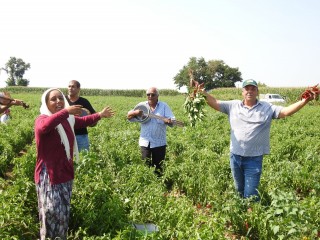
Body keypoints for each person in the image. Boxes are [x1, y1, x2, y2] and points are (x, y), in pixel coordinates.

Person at [202, 79, 315, 200]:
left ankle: (251, 214)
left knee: (250, 195)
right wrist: (202, 93)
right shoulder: (233, 106)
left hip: (254, 159)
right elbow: (214, 102)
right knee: (239, 190)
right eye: (247, 89)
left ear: (257, 92)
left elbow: (285, 111)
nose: (249, 91)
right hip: (235, 157)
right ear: (242, 92)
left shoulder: (267, 107)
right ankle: (242, 215)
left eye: (253, 89)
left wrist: (304, 101)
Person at [34, 88, 115, 239]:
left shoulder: (67, 120)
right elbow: (44, 127)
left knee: (63, 212)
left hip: (64, 172)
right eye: (53, 99)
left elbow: (83, 121)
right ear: (46, 103)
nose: (58, 101)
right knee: (50, 212)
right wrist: (66, 112)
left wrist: (99, 115)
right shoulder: (42, 119)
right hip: (49, 175)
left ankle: (61, 236)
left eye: (60, 98)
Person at [127, 87, 175, 176]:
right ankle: (148, 184)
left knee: (159, 167)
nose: (150, 96)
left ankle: (158, 185)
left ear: (157, 96)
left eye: (153, 94)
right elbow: (129, 116)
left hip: (159, 142)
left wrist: (169, 121)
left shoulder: (164, 106)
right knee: (145, 166)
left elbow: (172, 120)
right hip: (145, 142)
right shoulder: (142, 106)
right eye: (148, 94)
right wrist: (135, 113)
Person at [66, 80, 96, 151]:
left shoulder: (84, 101)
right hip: (65, 134)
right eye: (69, 86)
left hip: (81, 135)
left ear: (78, 89)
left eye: (73, 86)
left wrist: (91, 122)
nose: (70, 88)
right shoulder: (63, 100)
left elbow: (94, 116)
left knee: (84, 157)